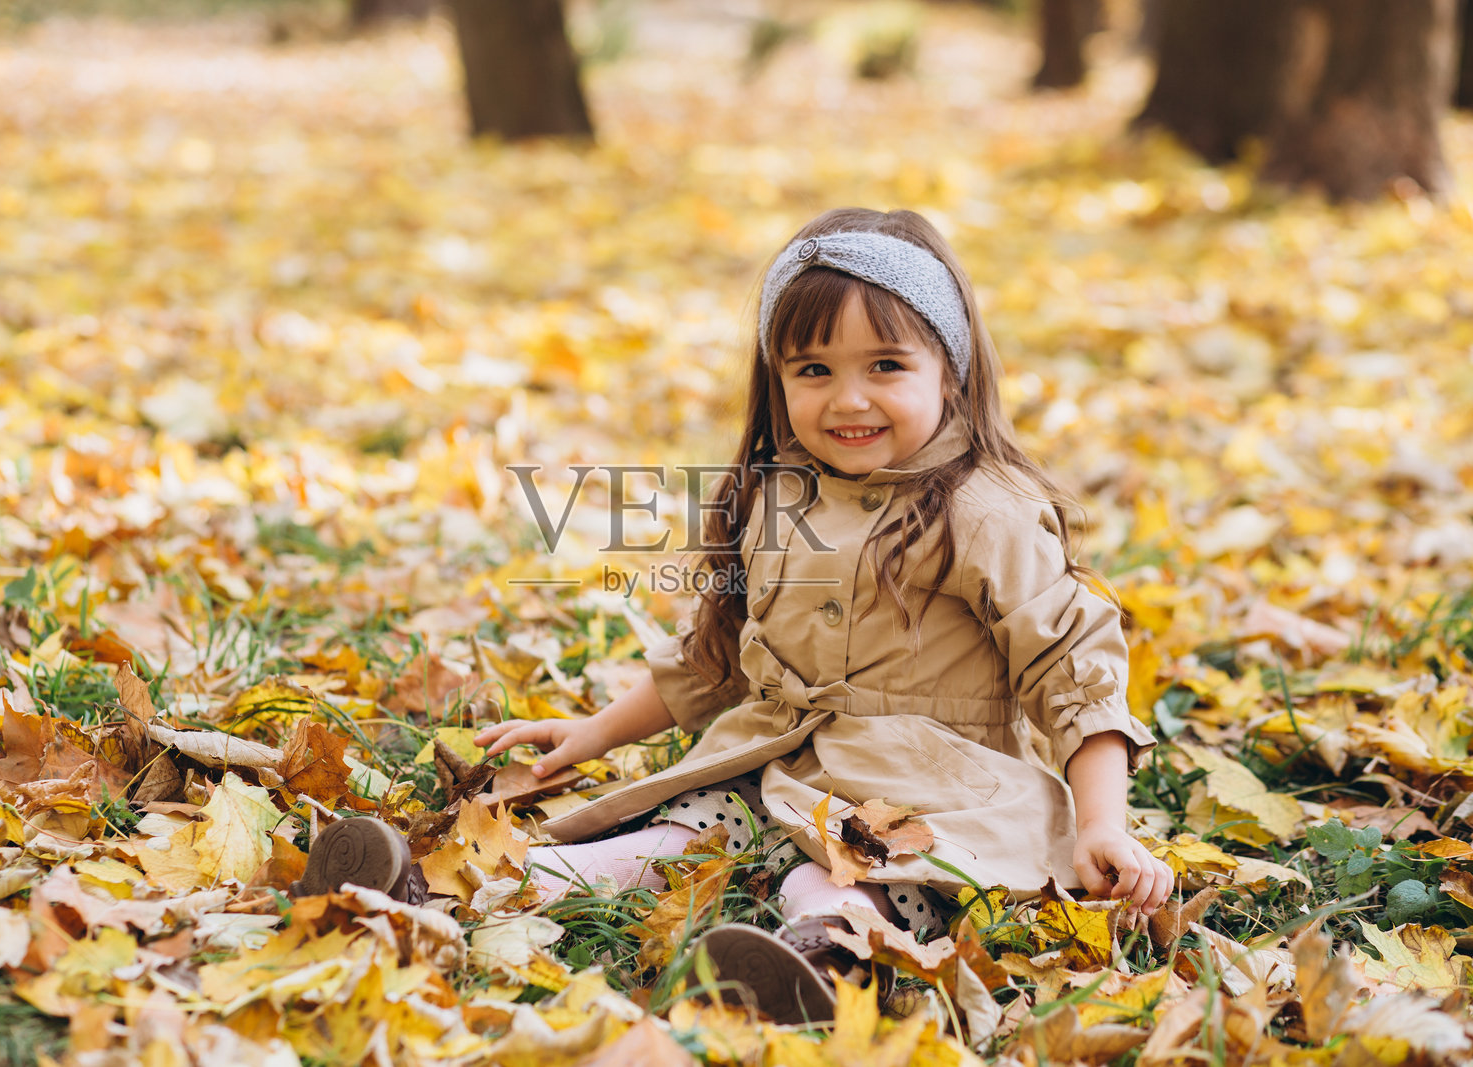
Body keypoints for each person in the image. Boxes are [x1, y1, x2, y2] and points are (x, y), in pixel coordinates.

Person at [473, 207, 1175, 1024]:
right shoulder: (779, 491)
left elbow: (1074, 674)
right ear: (776, 379)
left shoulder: (987, 511)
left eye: (885, 364)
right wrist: (594, 732)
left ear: (949, 369)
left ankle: (825, 961)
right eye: (812, 370)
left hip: (923, 795)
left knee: (836, 879)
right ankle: (455, 888)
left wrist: (1103, 826)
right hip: (776, 762)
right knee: (662, 845)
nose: (849, 399)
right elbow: (719, 654)